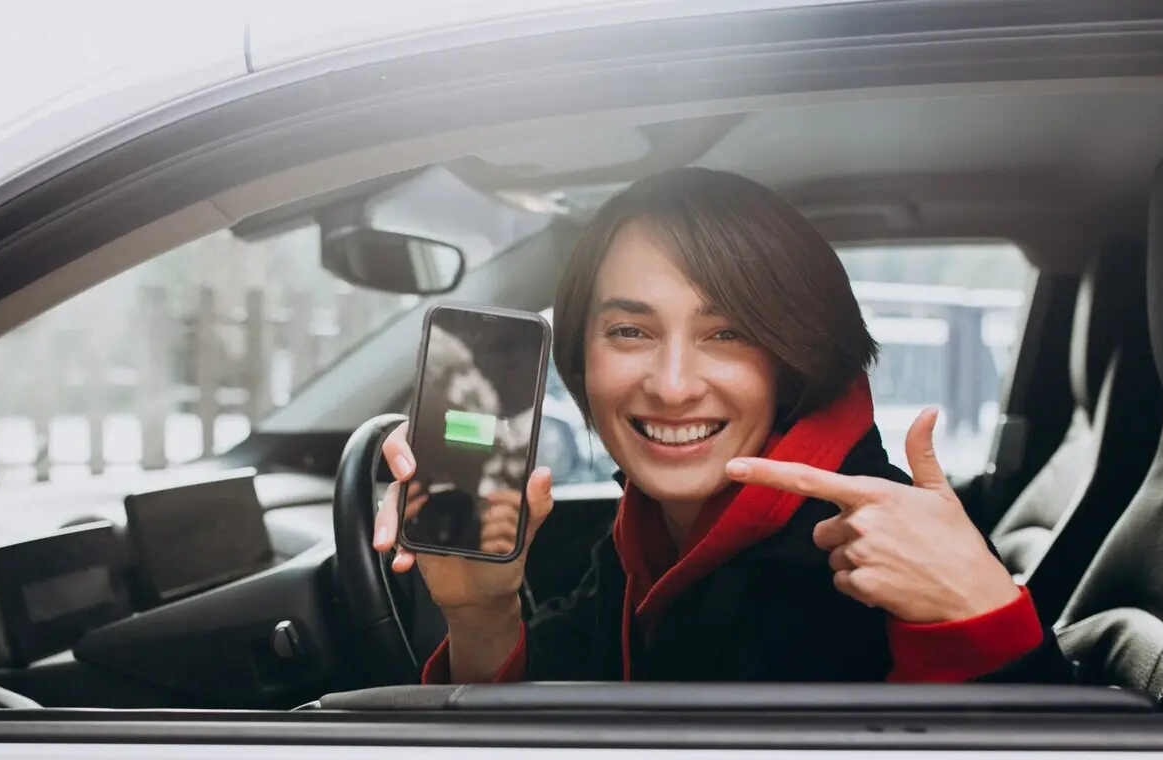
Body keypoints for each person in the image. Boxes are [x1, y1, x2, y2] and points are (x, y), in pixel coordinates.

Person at [373, 167, 1075, 685]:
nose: (673, 385)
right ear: (581, 358)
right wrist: (480, 612)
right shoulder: (647, 536)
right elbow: (535, 747)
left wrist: (981, 615)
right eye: (628, 330)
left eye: (728, 333)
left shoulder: (870, 556)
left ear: (793, 357)